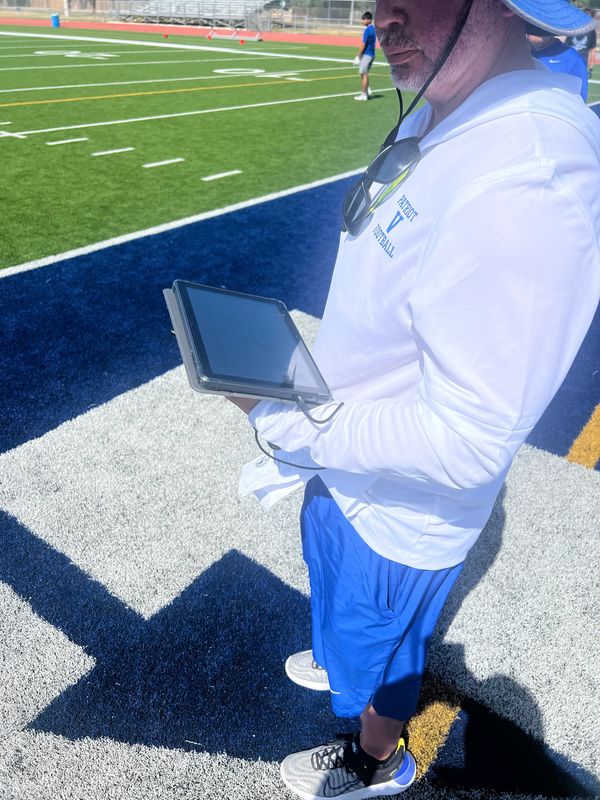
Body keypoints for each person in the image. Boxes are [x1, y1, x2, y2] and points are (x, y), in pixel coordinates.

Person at [229, 1, 600, 797]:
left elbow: (466, 441)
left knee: (386, 650)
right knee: (342, 613)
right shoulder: (452, 99)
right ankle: (339, 655)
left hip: (396, 510)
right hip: (350, 465)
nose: (385, 18)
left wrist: (290, 423)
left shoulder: (527, 177)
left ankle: (377, 756)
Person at [526, 22, 588, 100]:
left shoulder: (571, 58)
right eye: (533, 24)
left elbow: (580, 98)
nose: (538, 29)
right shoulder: (515, 52)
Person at [566, 10, 598, 77]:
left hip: (581, 65)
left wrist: (591, 68)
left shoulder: (591, 32)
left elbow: (592, 51)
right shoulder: (572, 29)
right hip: (569, 63)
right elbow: (565, 46)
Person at [353, 11, 376, 101]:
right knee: (364, 74)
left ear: (369, 20)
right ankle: (367, 90)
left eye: (364, 19)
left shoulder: (367, 30)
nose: (362, 21)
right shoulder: (373, 29)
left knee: (364, 74)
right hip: (371, 54)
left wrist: (358, 56)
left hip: (367, 55)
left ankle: (364, 95)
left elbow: (363, 44)